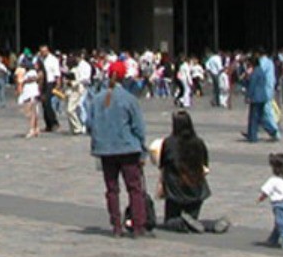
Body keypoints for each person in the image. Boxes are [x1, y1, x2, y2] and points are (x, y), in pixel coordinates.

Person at [85, 60, 151, 239]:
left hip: (106, 150)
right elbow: (138, 128)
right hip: (128, 149)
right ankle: (138, 226)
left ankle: (116, 226)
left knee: (112, 189)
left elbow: (89, 123)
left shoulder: (97, 99)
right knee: (134, 188)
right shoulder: (129, 99)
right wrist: (143, 150)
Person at [156, 110, 229, 233]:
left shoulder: (169, 142)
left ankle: (182, 221)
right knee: (194, 220)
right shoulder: (198, 142)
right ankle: (212, 224)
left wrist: (161, 187)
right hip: (196, 191)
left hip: (175, 192)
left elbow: (162, 165)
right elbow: (205, 166)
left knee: (170, 222)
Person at [242, 52, 280, 142]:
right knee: (260, 117)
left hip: (256, 97)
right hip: (262, 96)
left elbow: (252, 85)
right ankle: (270, 131)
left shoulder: (255, 72)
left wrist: (248, 96)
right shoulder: (261, 71)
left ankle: (253, 136)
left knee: (254, 117)